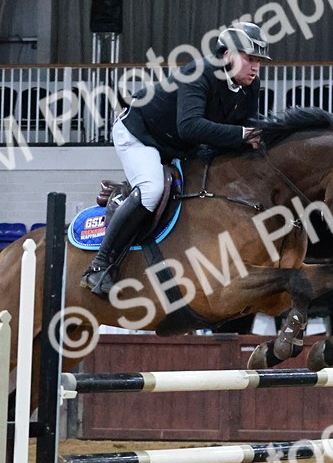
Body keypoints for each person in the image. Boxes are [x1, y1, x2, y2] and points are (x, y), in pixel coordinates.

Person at [81, 22, 271, 295]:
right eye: (249, 59)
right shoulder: (199, 72)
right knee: (152, 188)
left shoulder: (250, 86)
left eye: (259, 62)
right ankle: (99, 266)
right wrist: (243, 134)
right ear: (227, 54)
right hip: (140, 133)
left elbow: (248, 130)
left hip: (179, 146)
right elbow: (190, 125)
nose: (255, 67)